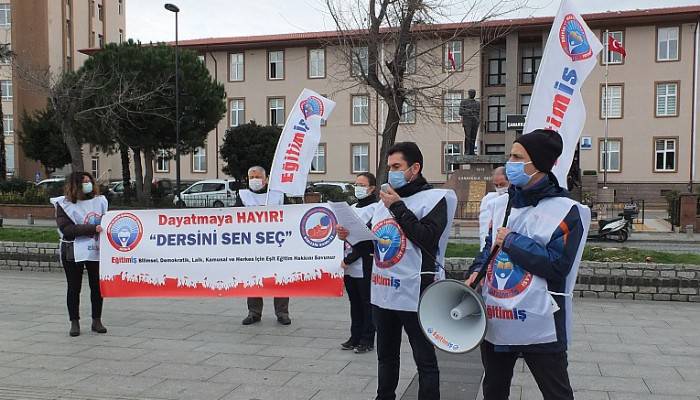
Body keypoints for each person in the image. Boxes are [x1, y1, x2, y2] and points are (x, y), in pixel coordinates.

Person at [466, 129, 589, 400]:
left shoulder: (567, 210)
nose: (509, 163)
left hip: (540, 322)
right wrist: (475, 272)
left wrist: (512, 241)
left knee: (556, 392)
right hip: (497, 317)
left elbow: (558, 266)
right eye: (510, 155)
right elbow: (489, 249)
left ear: (539, 164)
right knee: (494, 390)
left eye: (517, 157)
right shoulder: (501, 205)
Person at [338, 142, 457, 400]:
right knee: (386, 356)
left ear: (415, 168)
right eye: (389, 167)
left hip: (417, 293)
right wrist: (350, 235)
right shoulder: (384, 201)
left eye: (397, 167)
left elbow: (426, 238)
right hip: (384, 292)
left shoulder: (435, 199)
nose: (391, 172)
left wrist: (398, 207)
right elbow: (375, 243)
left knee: (425, 360)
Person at [52, 172, 109, 337]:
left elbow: (107, 220)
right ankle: (74, 322)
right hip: (72, 249)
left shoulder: (99, 201)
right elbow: (67, 229)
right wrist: (92, 228)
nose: (88, 184)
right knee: (74, 287)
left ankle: (96, 320)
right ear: (75, 185)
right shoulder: (64, 204)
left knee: (97, 286)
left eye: (89, 181)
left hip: (95, 248)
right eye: (84, 182)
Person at [235, 166, 291, 326]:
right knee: (253, 278)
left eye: (258, 177)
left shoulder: (278, 196)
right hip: (252, 246)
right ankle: (254, 312)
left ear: (266, 179)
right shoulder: (243, 196)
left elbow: (291, 215)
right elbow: (234, 218)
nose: (255, 180)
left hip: (277, 244)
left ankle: (282, 313)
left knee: (280, 278)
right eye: (251, 177)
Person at [340, 172, 378, 354]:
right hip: (348, 265)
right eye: (356, 184)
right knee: (354, 302)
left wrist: (350, 259)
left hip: (363, 262)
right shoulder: (352, 207)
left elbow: (368, 240)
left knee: (366, 303)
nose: (358, 188)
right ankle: (354, 337)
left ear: (372, 188)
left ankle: (367, 339)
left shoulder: (376, 209)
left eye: (362, 185)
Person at [478, 167, 509, 250]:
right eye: (496, 185)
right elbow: (484, 228)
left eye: (502, 184)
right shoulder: (488, 199)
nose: (499, 187)